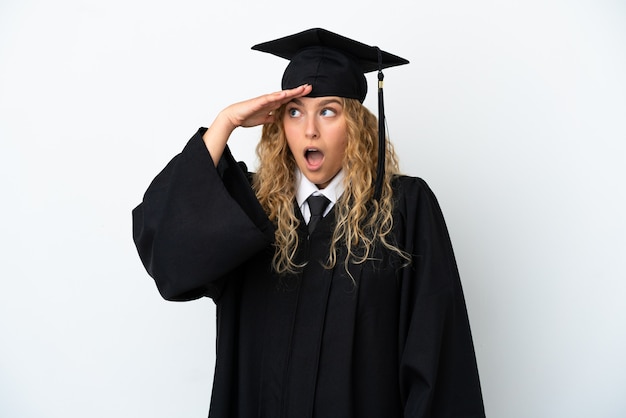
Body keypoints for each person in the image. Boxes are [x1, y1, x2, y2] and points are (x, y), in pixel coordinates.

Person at [132, 28, 485, 418]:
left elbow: (438, 356)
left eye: (328, 111)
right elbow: (167, 255)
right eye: (295, 111)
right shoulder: (248, 208)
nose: (310, 129)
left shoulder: (402, 210)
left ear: (356, 125)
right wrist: (224, 124)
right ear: (279, 124)